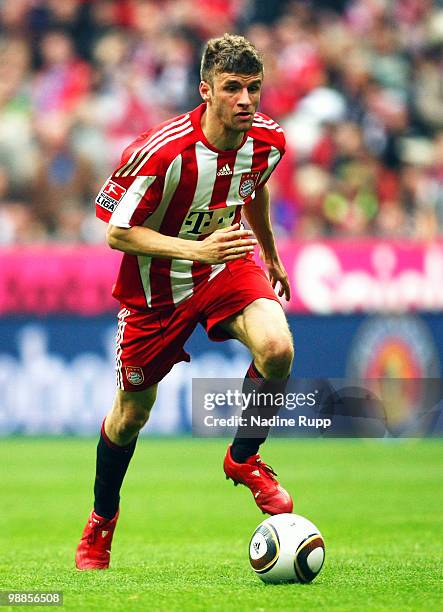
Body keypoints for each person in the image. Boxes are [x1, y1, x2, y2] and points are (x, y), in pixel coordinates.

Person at [75, 33, 294, 571]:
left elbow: (255, 184)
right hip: (157, 289)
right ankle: (102, 521)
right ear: (206, 90)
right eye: (232, 88)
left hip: (227, 264)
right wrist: (195, 248)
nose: (245, 100)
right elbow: (117, 233)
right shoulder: (160, 151)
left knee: (277, 348)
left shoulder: (268, 140)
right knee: (130, 415)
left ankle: (244, 459)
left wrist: (269, 252)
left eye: (254, 88)